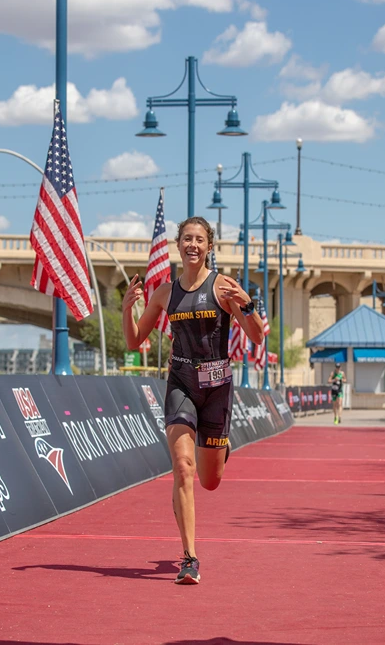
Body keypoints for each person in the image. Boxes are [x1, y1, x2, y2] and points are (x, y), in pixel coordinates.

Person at [122, 216, 264, 584]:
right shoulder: (166, 293)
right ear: (178, 244)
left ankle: (219, 447)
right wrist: (127, 310)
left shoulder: (223, 288)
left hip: (217, 388)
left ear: (209, 247)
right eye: (187, 238)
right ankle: (189, 557)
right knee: (182, 468)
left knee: (209, 480)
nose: (193, 245)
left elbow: (257, 338)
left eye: (200, 240)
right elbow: (135, 341)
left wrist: (247, 307)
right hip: (181, 384)